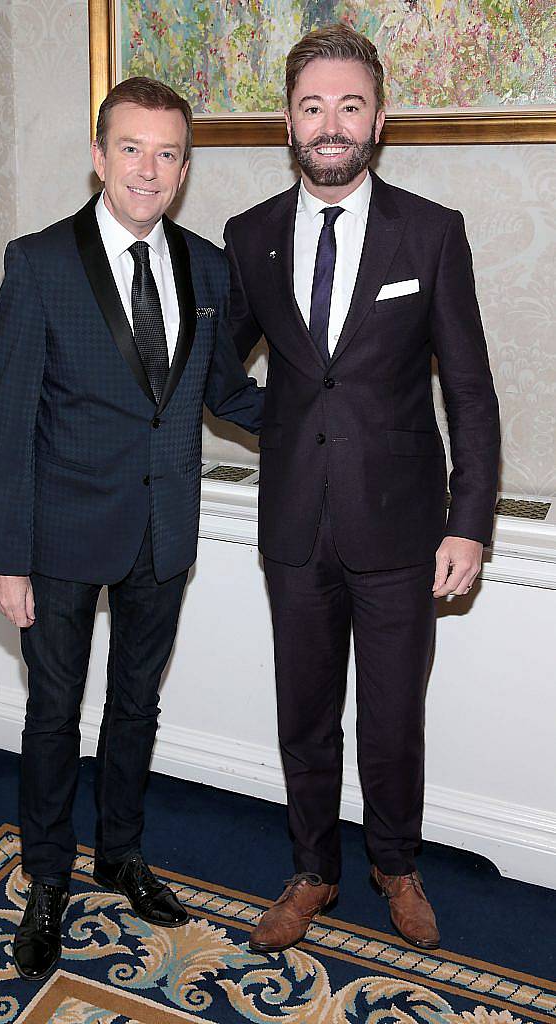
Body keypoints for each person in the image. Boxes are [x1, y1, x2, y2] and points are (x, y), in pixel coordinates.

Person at [0, 77, 263, 981]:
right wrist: (4, 558)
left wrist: (333, 413)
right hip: (59, 534)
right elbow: (8, 420)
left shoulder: (209, 267)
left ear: (185, 169)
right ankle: (50, 880)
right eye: (131, 148)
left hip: (161, 530)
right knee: (53, 714)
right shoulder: (38, 262)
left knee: (138, 706)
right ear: (98, 156)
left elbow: (224, 394)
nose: (150, 168)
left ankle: (122, 853)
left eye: (168, 153)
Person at [224, 24, 500, 953]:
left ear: (378, 119)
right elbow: (220, 373)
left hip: (404, 530)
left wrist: (470, 525)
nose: (331, 124)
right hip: (294, 524)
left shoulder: (431, 231)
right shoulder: (250, 236)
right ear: (288, 124)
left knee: (391, 718)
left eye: (350, 105)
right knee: (303, 713)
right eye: (312, 107)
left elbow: (469, 391)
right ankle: (313, 870)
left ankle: (394, 861)